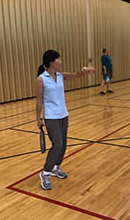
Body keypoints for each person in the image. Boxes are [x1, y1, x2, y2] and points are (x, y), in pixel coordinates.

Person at [36, 50, 95, 190]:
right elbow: (38, 101)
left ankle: (56, 168)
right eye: (58, 59)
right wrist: (37, 118)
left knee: (63, 144)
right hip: (51, 117)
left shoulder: (60, 76)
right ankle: (45, 173)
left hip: (63, 115)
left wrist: (84, 70)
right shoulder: (41, 79)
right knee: (57, 144)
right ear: (51, 62)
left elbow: (75, 75)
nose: (61, 62)